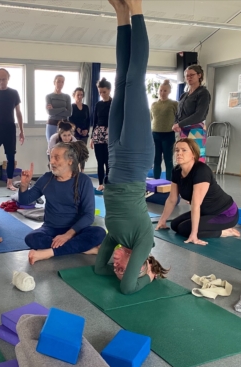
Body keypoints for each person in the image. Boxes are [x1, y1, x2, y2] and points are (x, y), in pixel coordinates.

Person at [94, 0, 167, 295]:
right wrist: (150, 275)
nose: (116, 267)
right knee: (135, 80)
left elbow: (99, 269)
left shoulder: (116, 237)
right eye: (124, 268)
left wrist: (114, 263)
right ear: (142, 263)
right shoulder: (143, 242)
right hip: (136, 157)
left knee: (121, 79)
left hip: (115, 157)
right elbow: (126, 288)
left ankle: (122, 15)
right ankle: (136, 8)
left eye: (117, 268)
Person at [18, 142, 106, 265]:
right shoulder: (46, 179)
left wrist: (67, 235)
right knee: (31, 238)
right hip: (50, 229)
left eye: (56, 158)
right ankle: (82, 248)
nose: (51, 162)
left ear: (70, 160)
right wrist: (24, 185)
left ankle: (49, 252)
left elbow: (88, 215)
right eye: (51, 157)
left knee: (99, 233)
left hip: (75, 230)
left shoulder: (83, 181)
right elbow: (25, 200)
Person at [155, 138, 240, 244]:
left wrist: (194, 235)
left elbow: (195, 204)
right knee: (174, 225)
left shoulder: (201, 171)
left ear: (193, 154)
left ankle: (225, 232)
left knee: (184, 229)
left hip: (225, 214)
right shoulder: (176, 171)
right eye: (177, 150)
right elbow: (172, 199)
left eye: (184, 150)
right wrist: (162, 220)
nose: (179, 153)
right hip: (206, 212)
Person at [0, 68, 25, 191]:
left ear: (8, 78)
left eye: (4, 79)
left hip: (9, 128)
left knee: (10, 157)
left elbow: (18, 113)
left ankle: (9, 182)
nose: (2, 82)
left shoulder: (14, 93)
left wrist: (22, 131)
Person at [172, 64, 211, 162]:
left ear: (199, 75)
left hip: (195, 130)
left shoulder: (203, 93)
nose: (189, 77)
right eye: (187, 76)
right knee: (182, 158)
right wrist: (176, 124)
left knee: (196, 158)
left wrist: (180, 124)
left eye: (191, 75)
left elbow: (199, 115)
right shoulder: (184, 95)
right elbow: (178, 113)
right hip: (182, 130)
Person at [150, 80, 178, 181]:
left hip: (168, 135)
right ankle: (156, 182)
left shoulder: (174, 104)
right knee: (156, 160)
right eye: (161, 90)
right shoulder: (154, 105)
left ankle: (169, 183)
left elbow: (179, 117)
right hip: (155, 135)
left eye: (165, 91)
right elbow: (151, 118)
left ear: (169, 91)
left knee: (168, 160)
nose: (162, 93)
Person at [90, 78, 112, 191]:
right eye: (100, 92)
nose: (102, 94)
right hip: (98, 133)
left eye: (104, 92)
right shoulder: (98, 104)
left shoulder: (114, 103)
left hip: (110, 133)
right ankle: (100, 183)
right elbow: (95, 121)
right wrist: (92, 137)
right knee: (100, 161)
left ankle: (108, 183)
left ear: (109, 90)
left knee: (108, 161)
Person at [45, 75, 72, 150]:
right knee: (52, 147)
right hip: (52, 124)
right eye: (58, 81)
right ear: (54, 82)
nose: (60, 84)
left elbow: (69, 113)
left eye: (62, 82)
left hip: (64, 125)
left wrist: (55, 110)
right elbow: (50, 112)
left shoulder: (67, 97)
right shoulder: (49, 96)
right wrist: (63, 108)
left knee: (65, 148)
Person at [69, 87, 91, 171]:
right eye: (78, 95)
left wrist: (87, 130)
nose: (80, 97)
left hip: (84, 134)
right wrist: (76, 128)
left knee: (83, 152)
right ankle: (75, 170)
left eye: (81, 95)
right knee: (75, 152)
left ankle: (82, 171)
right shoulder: (72, 106)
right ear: (74, 95)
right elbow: (70, 120)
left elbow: (88, 120)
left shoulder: (86, 107)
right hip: (75, 133)